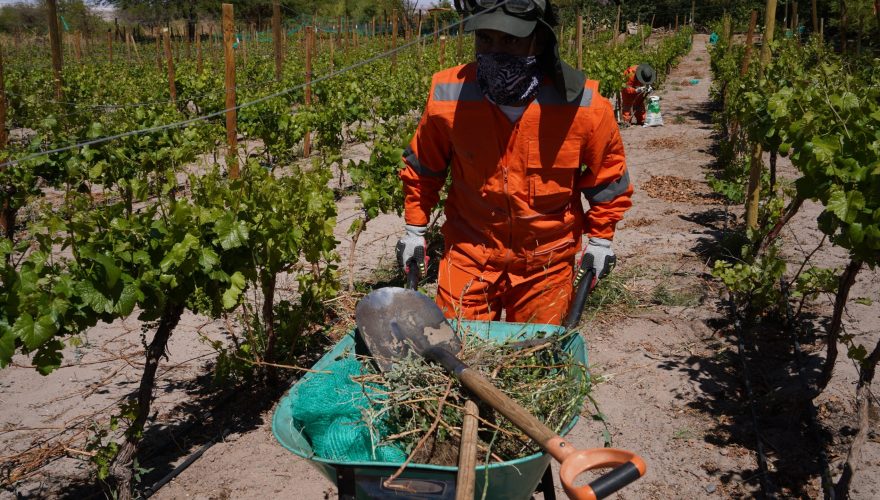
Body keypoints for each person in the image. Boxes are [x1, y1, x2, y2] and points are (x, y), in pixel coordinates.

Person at [396, 0, 633, 325]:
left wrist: (601, 239)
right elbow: (423, 167)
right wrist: (414, 228)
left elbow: (609, 180)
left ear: (538, 40)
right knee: (458, 349)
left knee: (535, 359)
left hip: (546, 263)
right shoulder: (449, 95)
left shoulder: (581, 106)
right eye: (485, 38)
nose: (496, 51)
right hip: (469, 253)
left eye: (510, 40)